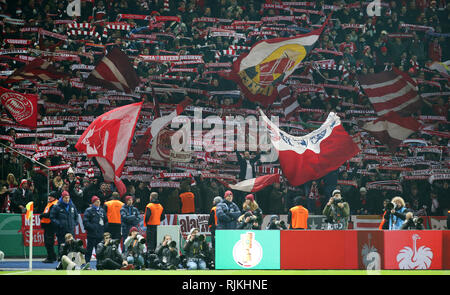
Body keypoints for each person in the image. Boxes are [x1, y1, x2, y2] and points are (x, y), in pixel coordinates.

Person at [82, 196, 107, 268]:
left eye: (99, 202)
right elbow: (85, 222)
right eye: (96, 202)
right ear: (93, 203)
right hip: (91, 234)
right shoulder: (88, 210)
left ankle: (99, 264)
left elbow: (106, 221)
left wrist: (103, 228)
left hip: (100, 234)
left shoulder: (102, 211)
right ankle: (87, 263)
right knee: (89, 249)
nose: (98, 203)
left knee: (99, 250)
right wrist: (93, 227)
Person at [40, 191, 59, 263]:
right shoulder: (50, 203)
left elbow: (50, 214)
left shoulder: (54, 204)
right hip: (47, 225)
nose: (49, 197)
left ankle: (50, 257)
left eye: (50, 196)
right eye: (49, 196)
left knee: (48, 242)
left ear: (54, 197)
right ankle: (53, 256)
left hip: (50, 225)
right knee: (49, 241)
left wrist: (42, 215)